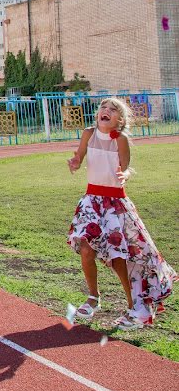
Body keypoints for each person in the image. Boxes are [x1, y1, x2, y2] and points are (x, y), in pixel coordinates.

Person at [66, 98, 175, 329]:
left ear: (120, 120)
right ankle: (93, 297)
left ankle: (133, 308)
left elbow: (125, 167)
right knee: (86, 248)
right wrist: (75, 163)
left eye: (113, 109)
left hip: (115, 204)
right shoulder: (88, 133)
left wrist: (125, 175)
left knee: (118, 258)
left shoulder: (122, 140)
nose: (106, 111)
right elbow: (79, 156)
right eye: (103, 108)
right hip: (91, 201)